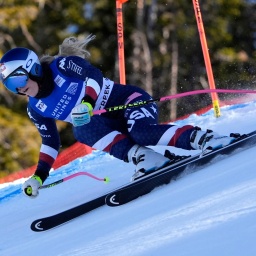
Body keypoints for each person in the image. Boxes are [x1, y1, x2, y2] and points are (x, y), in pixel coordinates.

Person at [0, 34, 236, 198]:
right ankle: (147, 159)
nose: (19, 89)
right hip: (108, 123)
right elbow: (51, 142)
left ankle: (205, 139)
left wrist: (87, 103)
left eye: (18, 80)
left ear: (34, 68)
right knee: (80, 130)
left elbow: (93, 76)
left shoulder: (62, 66)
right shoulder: (36, 108)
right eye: (10, 86)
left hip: (128, 101)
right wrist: (38, 177)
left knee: (141, 132)